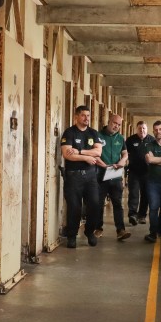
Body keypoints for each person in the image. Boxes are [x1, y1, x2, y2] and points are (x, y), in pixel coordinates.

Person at [60, 105, 102, 248]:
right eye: (83, 115)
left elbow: (98, 153)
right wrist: (85, 158)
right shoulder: (69, 133)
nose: (86, 118)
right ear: (76, 116)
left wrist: (79, 151)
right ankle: (72, 236)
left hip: (90, 177)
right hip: (74, 176)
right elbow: (67, 155)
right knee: (74, 207)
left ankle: (89, 232)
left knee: (95, 205)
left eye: (88, 116)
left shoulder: (93, 133)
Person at [94, 114, 131, 241]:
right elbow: (94, 154)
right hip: (100, 175)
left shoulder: (120, 138)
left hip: (115, 177)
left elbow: (125, 154)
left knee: (117, 203)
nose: (116, 126)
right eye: (115, 123)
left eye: (119, 125)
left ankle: (120, 230)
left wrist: (123, 161)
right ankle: (98, 228)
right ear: (109, 121)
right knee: (98, 203)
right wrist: (103, 165)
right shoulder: (98, 136)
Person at [125, 121, 155, 226]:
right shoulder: (130, 140)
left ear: (147, 129)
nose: (142, 130)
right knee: (133, 193)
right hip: (134, 172)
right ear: (136, 129)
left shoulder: (152, 140)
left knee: (145, 194)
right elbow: (124, 154)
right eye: (140, 128)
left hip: (148, 173)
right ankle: (132, 215)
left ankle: (142, 215)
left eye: (144, 128)